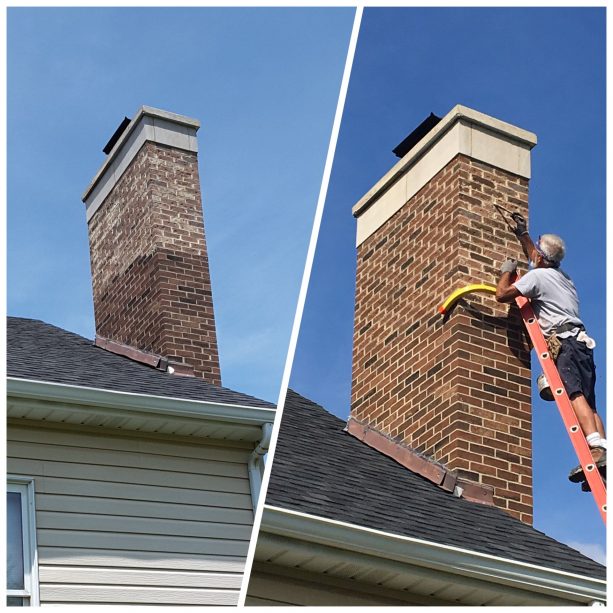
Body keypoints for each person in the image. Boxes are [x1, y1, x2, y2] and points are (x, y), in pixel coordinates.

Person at [494, 214, 606, 486]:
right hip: (581, 343)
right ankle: (603, 453)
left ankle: (594, 449)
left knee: (574, 393)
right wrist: (523, 234)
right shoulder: (562, 277)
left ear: (542, 259)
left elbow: (502, 294)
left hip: (565, 343)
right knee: (589, 403)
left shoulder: (539, 278)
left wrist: (506, 272)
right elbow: (538, 258)